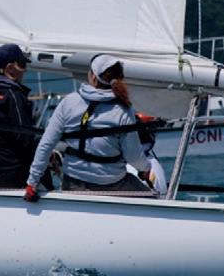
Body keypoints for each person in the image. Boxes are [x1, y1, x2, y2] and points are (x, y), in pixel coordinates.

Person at [24, 54, 153, 201]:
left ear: (92, 76)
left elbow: (46, 144)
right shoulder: (123, 109)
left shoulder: (69, 102)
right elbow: (133, 156)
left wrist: (32, 182)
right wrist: (145, 169)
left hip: (73, 184)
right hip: (112, 184)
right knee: (152, 200)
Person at [0, 44, 48, 188]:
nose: (25, 70)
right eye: (22, 64)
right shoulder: (13, 94)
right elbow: (24, 137)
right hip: (8, 174)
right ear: (10, 68)